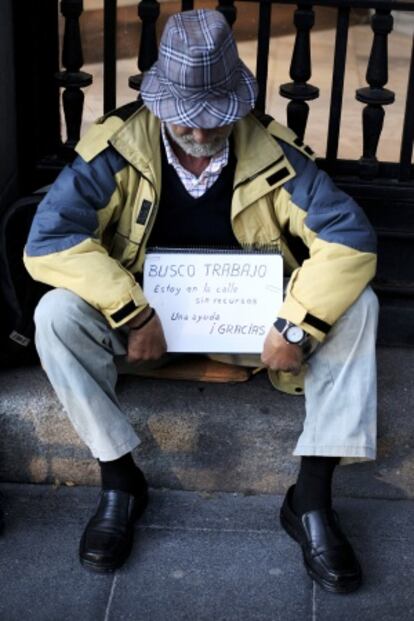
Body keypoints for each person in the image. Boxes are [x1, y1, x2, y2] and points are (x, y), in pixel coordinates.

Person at [24, 9, 378, 592]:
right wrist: (132, 312)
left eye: (216, 119)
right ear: (162, 104)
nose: (201, 132)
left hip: (256, 335)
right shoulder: (115, 151)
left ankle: (310, 501)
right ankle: (119, 481)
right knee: (55, 314)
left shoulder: (275, 153)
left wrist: (295, 328)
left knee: (358, 306)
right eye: (188, 120)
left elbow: (349, 239)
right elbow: (51, 242)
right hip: (143, 330)